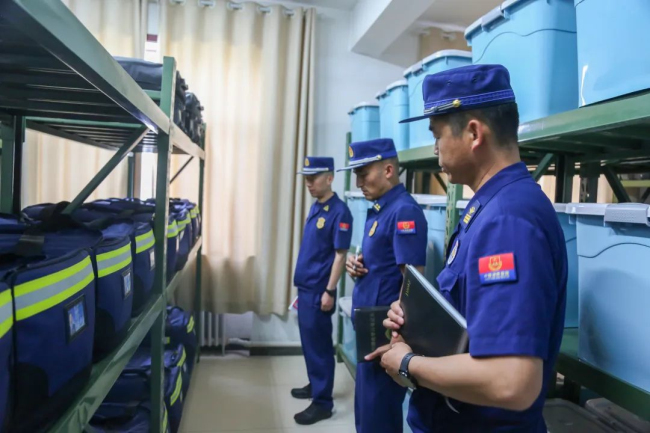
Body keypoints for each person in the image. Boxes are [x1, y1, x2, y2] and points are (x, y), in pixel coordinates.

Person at [373, 64, 568, 432]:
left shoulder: (508, 219)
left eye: (437, 135)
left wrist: (408, 363)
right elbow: (475, 322)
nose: (435, 149)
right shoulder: (491, 206)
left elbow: (513, 381)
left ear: (474, 133)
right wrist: (418, 322)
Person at [338, 138, 428, 433]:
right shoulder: (380, 210)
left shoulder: (404, 212)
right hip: (370, 328)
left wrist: (396, 339)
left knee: (379, 416)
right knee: (367, 411)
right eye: (356, 175)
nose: (358, 182)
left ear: (388, 170)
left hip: (385, 334)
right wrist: (356, 266)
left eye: (364, 174)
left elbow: (413, 283)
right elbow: (383, 266)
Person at [292, 156, 352, 425]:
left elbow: (340, 255)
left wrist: (329, 290)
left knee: (319, 346)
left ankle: (323, 403)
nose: (308, 183)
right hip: (307, 287)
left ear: (329, 178)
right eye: (306, 178)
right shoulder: (317, 206)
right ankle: (316, 385)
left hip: (319, 290)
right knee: (310, 343)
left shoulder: (339, 212)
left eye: (313, 178)